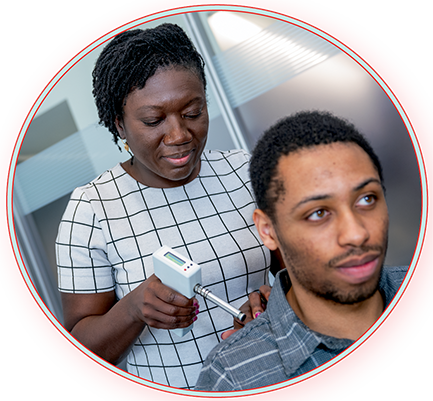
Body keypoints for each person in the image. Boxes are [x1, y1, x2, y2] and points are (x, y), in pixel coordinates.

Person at [55, 23, 275, 389]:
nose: (179, 135)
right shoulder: (92, 210)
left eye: (192, 112)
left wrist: (276, 302)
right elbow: (79, 348)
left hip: (269, 376)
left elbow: (298, 275)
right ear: (119, 125)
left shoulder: (244, 171)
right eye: (154, 120)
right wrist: (133, 308)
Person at [195, 110, 408, 391]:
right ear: (268, 230)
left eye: (367, 198)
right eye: (319, 213)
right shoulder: (232, 377)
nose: (357, 233)